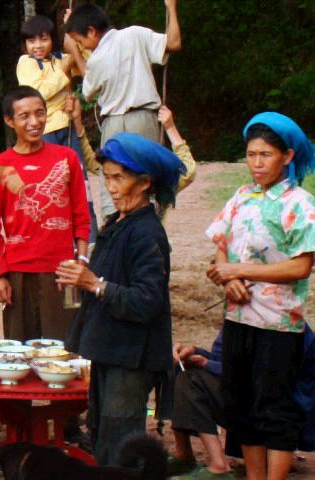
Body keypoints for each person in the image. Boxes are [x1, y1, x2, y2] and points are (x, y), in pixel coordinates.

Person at [56, 132, 186, 465]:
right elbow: (107, 278)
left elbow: (147, 300)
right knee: (101, 434)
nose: (111, 187)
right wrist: (79, 276)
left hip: (132, 359)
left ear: (144, 183)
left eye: (119, 178)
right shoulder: (118, 224)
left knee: (121, 444)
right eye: (107, 177)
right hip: (110, 350)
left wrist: (95, 284)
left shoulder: (146, 233)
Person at [205, 112, 315, 480]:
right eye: (251, 154)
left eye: (265, 155)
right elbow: (221, 246)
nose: (256, 163)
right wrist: (227, 276)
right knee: (240, 405)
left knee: (274, 407)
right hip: (237, 318)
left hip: (278, 324)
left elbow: (300, 267)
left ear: (287, 156)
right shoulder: (240, 197)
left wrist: (239, 271)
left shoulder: (299, 203)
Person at [0, 85, 90, 341]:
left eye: (40, 113)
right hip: (18, 274)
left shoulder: (67, 159)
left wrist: (81, 263)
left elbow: (81, 217)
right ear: (10, 121)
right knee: (21, 353)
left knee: (65, 351)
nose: (34, 122)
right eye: (24, 116)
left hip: (64, 271)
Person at [63, 0, 181, 220]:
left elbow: (88, 90)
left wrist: (74, 52)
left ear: (91, 31)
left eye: (81, 41)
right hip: (145, 120)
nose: (83, 46)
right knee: (147, 182)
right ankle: (151, 229)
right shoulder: (135, 34)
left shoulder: (96, 58)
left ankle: (117, 232)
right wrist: (171, 8)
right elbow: (173, 43)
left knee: (113, 185)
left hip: (115, 125)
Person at [169, 325, 315, 480]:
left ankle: (223, 467)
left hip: (285, 413)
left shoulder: (286, 326)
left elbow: (267, 380)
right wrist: (195, 352)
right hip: (252, 403)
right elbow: (225, 361)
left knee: (197, 380)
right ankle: (187, 456)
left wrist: (207, 364)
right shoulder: (239, 319)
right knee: (182, 369)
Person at [17, 15, 98, 241]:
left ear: (52, 39)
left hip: (69, 127)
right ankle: (56, 238)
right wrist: (64, 70)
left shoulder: (60, 59)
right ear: (25, 45)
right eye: (32, 41)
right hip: (46, 133)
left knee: (80, 185)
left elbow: (90, 63)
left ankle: (89, 239)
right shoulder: (26, 63)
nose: (38, 46)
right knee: (51, 188)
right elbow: (37, 93)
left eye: (43, 39)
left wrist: (73, 31)